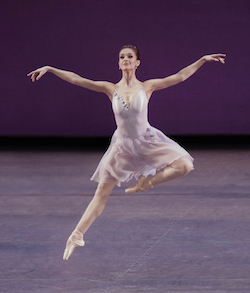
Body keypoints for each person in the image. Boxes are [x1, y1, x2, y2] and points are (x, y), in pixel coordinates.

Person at [27, 45, 225, 260]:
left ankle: (146, 183)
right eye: (122, 57)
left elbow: (180, 76)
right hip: (122, 147)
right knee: (101, 195)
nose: (125, 60)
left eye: (130, 56)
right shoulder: (110, 89)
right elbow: (77, 79)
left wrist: (202, 60)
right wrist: (50, 68)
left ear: (137, 62)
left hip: (147, 141)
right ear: (118, 63)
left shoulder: (148, 86)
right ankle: (76, 235)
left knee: (185, 165)